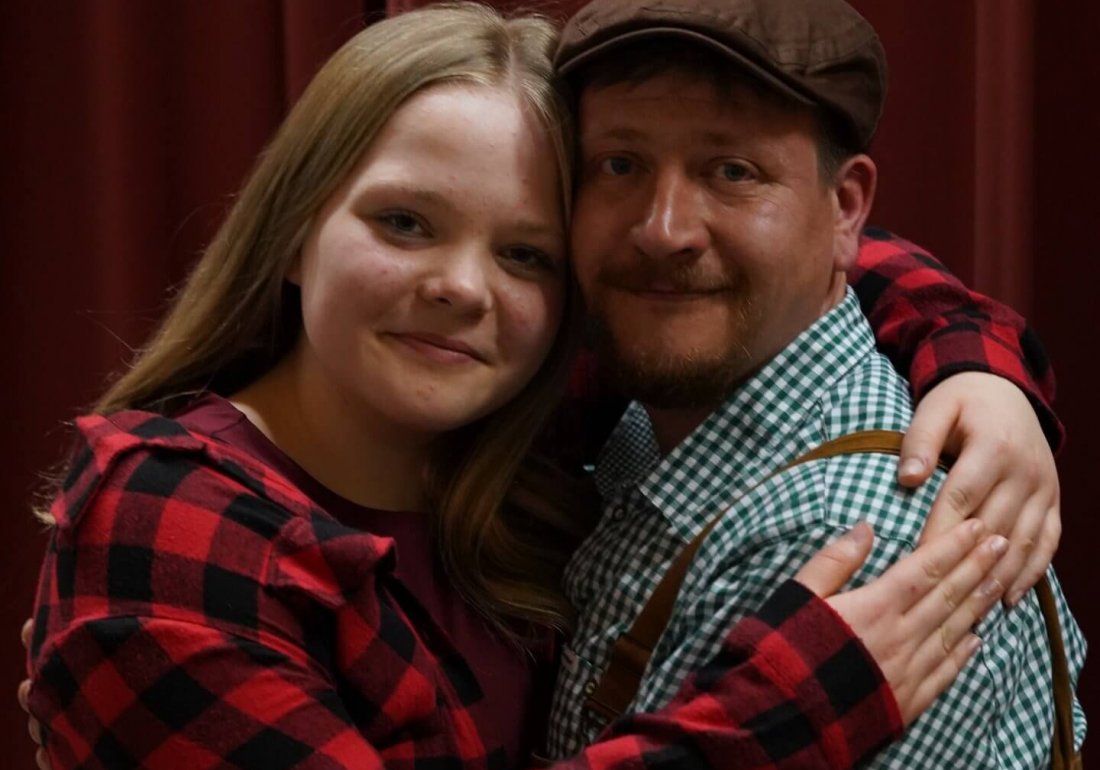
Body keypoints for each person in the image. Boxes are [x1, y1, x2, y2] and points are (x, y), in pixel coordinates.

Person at [18, 3, 1058, 770]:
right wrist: (785, 712)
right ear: (292, 230)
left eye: (523, 253)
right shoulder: (170, 515)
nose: (461, 289)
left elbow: (765, 269)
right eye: (404, 223)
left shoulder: (529, 433)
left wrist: (981, 365)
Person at [542, 0, 1085, 766]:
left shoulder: (853, 542)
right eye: (619, 165)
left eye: (732, 172)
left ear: (846, 209)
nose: (663, 230)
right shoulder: (624, 415)